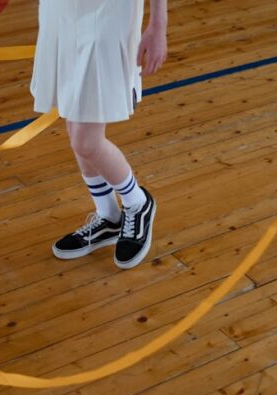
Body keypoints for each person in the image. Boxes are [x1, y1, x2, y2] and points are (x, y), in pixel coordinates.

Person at [30, 0, 168, 269]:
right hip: (61, 11)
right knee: (75, 125)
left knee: (86, 141)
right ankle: (109, 216)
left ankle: (137, 203)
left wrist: (158, 24)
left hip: (109, 11)